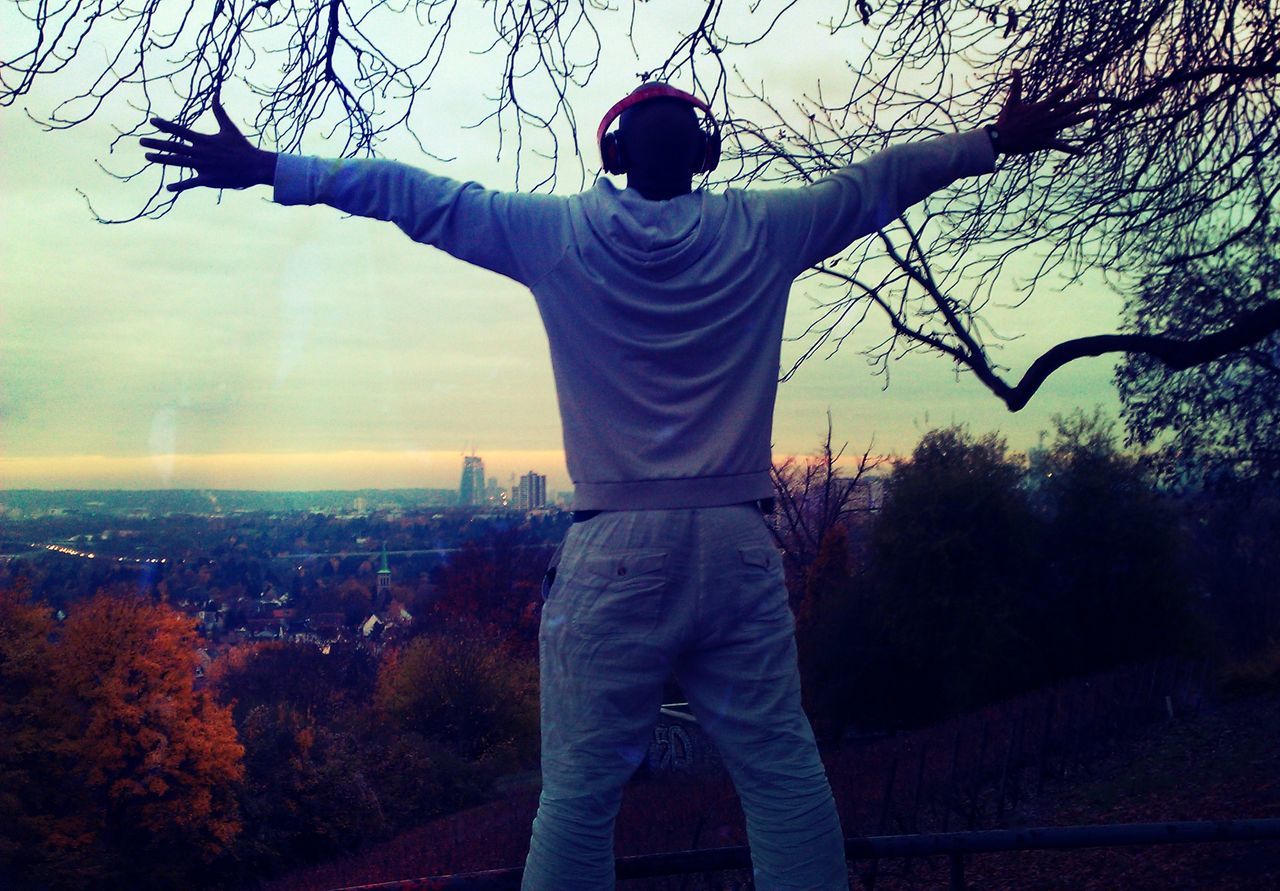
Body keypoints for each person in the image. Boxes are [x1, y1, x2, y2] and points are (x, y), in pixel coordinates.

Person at [141, 73, 1093, 890]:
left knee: (579, 797)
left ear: (613, 155)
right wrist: (991, 141)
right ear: (708, 153)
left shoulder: (557, 236)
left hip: (612, 551)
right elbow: (880, 182)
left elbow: (413, 196)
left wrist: (274, 168)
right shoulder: (764, 230)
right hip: (734, 540)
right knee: (782, 773)